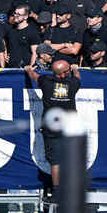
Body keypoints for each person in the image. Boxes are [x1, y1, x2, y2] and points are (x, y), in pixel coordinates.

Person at [25, 59, 80, 201]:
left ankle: (57, 193)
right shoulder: (72, 84)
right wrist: (75, 69)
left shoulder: (46, 83)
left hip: (52, 129)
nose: (69, 72)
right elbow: (78, 78)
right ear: (62, 74)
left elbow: (35, 77)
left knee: (55, 162)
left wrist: (29, 70)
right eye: (67, 70)